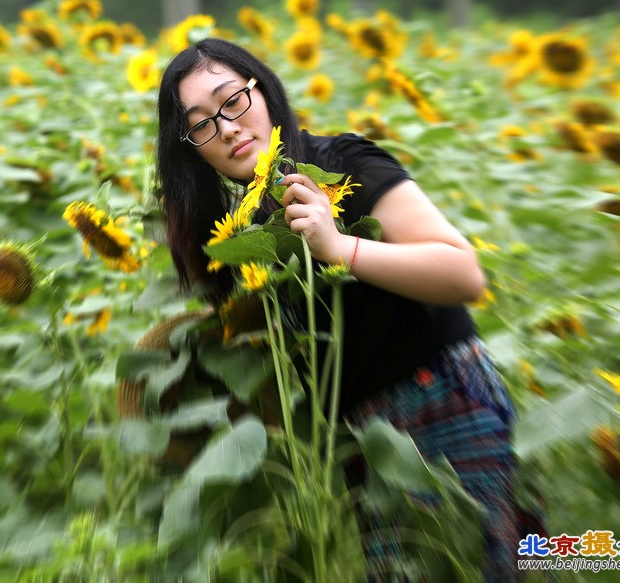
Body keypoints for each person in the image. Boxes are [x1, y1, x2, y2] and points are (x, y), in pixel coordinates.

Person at [156, 38, 532, 581]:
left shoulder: (342, 164)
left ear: (261, 91)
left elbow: (463, 274)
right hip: (364, 441)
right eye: (203, 124)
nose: (228, 127)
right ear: (192, 147)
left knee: (484, 563)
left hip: (442, 402)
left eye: (232, 100)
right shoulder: (247, 224)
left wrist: (339, 248)